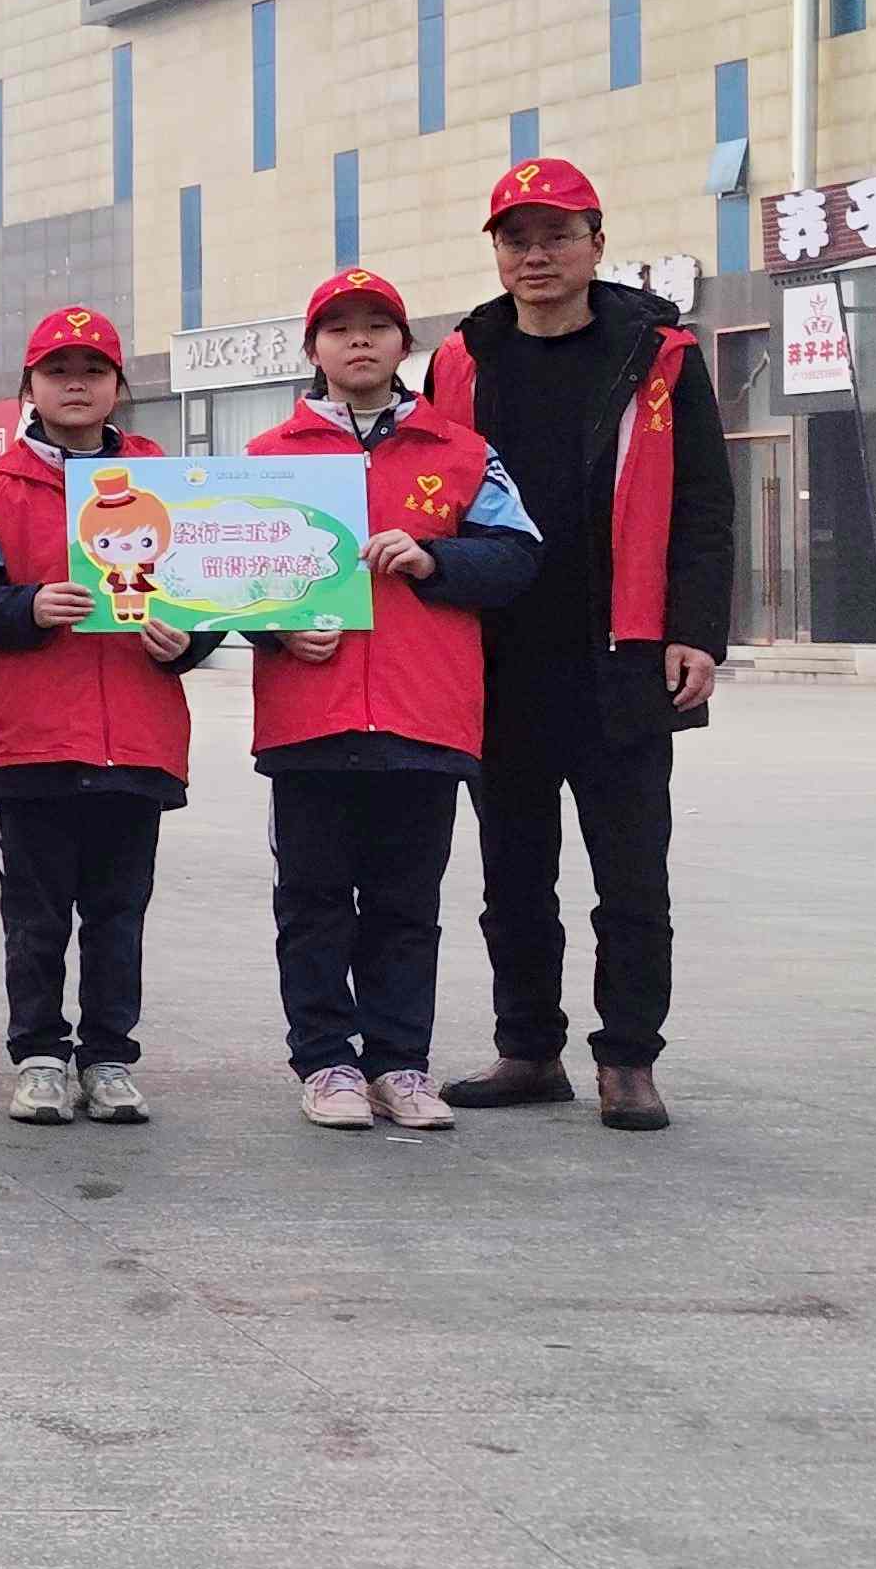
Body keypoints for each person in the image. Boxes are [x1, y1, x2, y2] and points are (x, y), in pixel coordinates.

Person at [422, 160, 736, 1133]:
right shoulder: (460, 361)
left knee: (632, 878)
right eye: (516, 238)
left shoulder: (658, 353)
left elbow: (704, 504)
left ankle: (628, 1059)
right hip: (495, 661)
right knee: (513, 876)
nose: (536, 255)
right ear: (496, 253)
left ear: (596, 243)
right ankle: (527, 1050)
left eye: (556, 235)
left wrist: (695, 632)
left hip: (623, 657)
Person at [247, 271, 541, 1131]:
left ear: (404, 346)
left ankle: (401, 1064)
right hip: (311, 717)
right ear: (313, 349)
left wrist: (434, 558)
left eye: (377, 326)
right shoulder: (267, 458)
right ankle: (327, 1063)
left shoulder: (462, 451)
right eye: (339, 328)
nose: (359, 341)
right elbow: (222, 580)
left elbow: (519, 556)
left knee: (407, 905)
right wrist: (275, 630)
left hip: (424, 715)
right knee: (312, 902)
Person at [0, 308, 220, 1125]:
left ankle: (108, 1058)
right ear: (28, 386)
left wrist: (188, 642)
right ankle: (37, 1055)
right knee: (34, 916)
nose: (75, 384)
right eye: (56, 370)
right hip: (31, 740)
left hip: (137, 737)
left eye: (93, 370)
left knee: (118, 914)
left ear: (117, 387)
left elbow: (206, 593)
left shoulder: (165, 482)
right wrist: (28, 607)